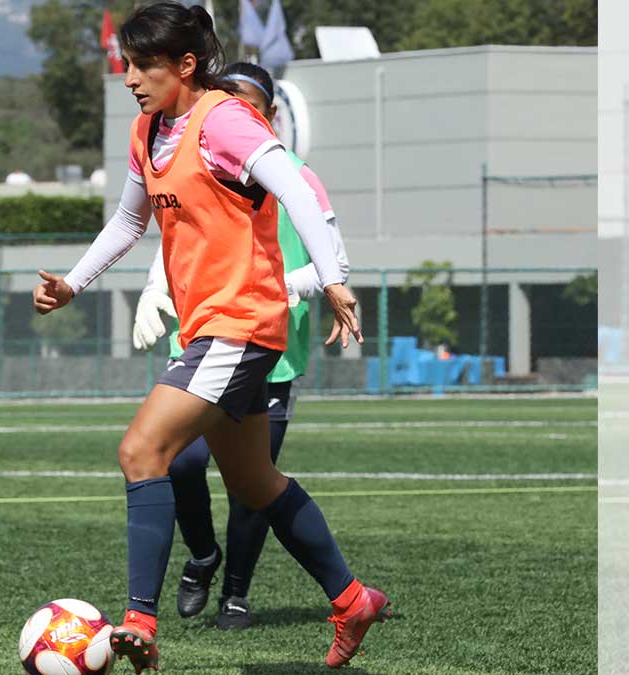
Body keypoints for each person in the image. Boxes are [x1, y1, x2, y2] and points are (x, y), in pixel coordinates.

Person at [32, 4, 389, 670]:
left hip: (240, 323)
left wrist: (334, 278)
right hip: (212, 328)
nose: (129, 78)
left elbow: (297, 190)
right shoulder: (148, 130)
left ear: (186, 64)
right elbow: (128, 222)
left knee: (142, 450)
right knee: (254, 481)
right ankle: (352, 599)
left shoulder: (223, 119)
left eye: (143, 65)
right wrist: (74, 283)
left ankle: (139, 621)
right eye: (127, 64)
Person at [132, 61, 351, 631]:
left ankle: (226, 596)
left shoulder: (291, 173)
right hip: (207, 336)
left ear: (270, 114)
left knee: (230, 478)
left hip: (260, 345)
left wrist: (290, 286)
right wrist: (154, 289)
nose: (232, 114)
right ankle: (209, 558)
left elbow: (334, 259)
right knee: (197, 465)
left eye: (246, 105)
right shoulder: (197, 149)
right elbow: (175, 227)